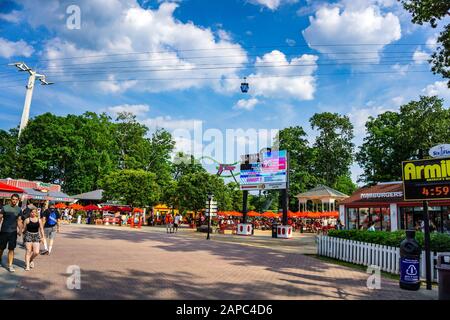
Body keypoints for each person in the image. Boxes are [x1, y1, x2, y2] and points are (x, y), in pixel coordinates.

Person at [0, 194, 23, 272]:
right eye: (13, 199)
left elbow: (19, 220)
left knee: (11, 249)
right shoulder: (5, 208)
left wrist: (20, 230)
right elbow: (0, 218)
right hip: (4, 231)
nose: (14, 201)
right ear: (11, 199)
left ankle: (10, 265)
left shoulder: (19, 209)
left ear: (18, 200)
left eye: (16, 199)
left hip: (13, 232)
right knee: (1, 248)